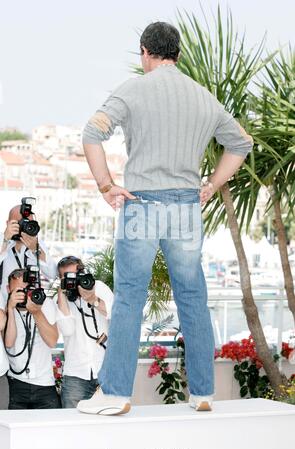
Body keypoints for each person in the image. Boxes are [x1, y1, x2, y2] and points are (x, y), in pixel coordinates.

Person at [78, 21, 254, 415]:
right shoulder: (203, 97)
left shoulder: (133, 89)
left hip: (142, 206)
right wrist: (211, 183)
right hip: (186, 209)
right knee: (193, 296)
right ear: (177, 53)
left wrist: (107, 185)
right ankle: (204, 393)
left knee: (128, 299)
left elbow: (92, 134)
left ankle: (116, 394)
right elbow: (241, 143)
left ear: (145, 52)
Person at [55, 256, 113, 408]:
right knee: (72, 426)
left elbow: (114, 313)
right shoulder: (63, 299)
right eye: (67, 277)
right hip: (75, 374)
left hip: (104, 370)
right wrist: (61, 293)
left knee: (107, 424)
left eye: (76, 275)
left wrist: (92, 298)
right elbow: (67, 330)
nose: (73, 281)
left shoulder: (98, 287)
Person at [4, 268, 60, 409]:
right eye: (18, 291)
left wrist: (36, 312)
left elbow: (52, 341)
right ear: (8, 289)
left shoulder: (44, 303)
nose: (22, 295)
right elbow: (9, 343)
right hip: (16, 383)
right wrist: (10, 309)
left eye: (25, 290)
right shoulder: (6, 308)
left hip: (45, 384)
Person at [0, 204, 57, 301]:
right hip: (4, 306)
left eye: (28, 223)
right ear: (8, 223)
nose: (24, 226)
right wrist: (5, 240)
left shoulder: (38, 244)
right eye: (20, 222)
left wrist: (36, 250)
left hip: (31, 306)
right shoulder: (2, 241)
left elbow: (52, 274)